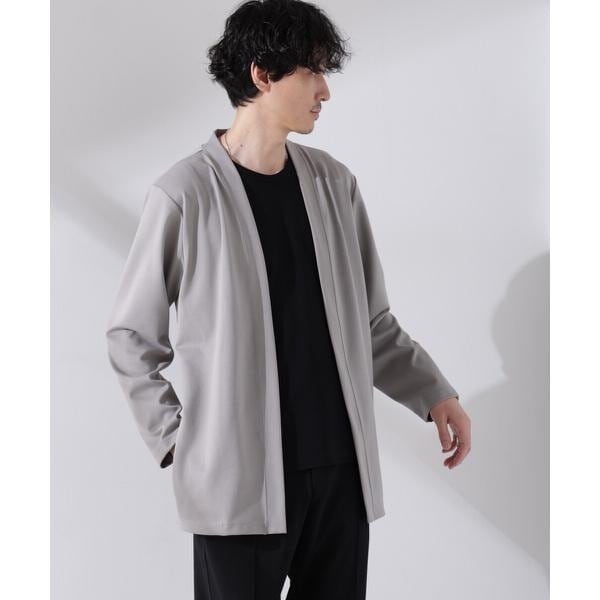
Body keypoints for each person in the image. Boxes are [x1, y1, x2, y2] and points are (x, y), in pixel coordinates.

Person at [105, 1, 472, 598]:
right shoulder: (184, 194)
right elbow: (131, 336)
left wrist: (434, 392)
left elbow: (371, 321)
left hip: (340, 475)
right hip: (239, 483)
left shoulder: (334, 184)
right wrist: (177, 441)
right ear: (262, 73)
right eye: (313, 71)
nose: (325, 90)